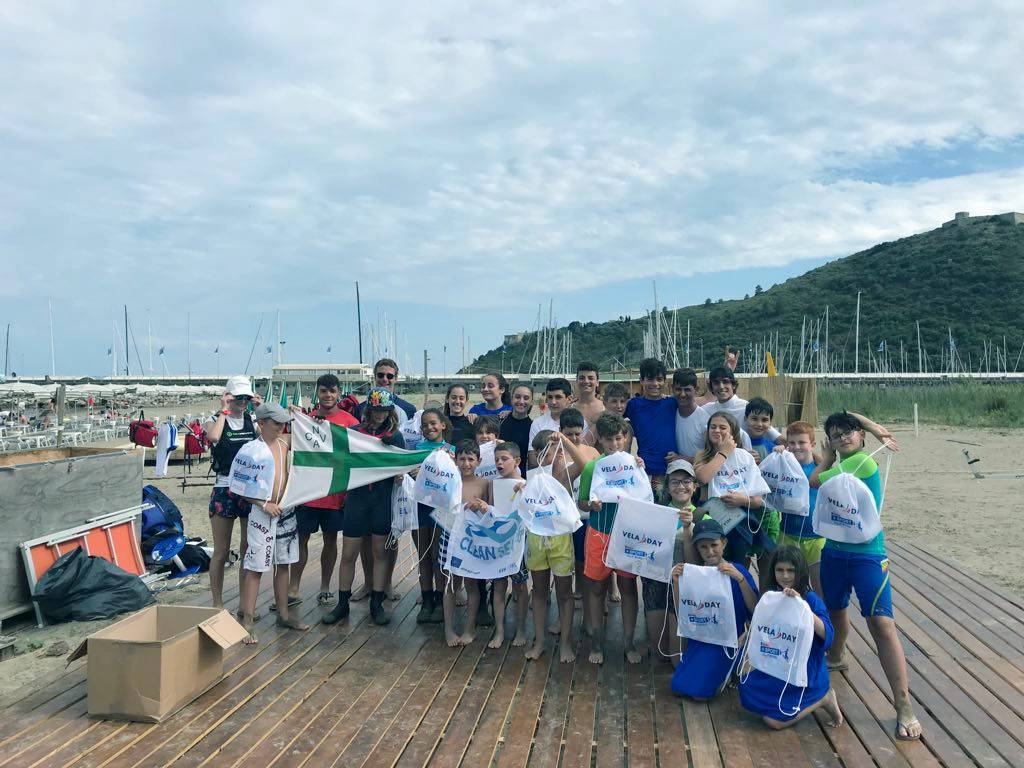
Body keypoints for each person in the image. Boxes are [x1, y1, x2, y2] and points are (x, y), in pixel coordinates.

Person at [811, 411, 921, 741]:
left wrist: (870, 428)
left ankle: (903, 705)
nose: (843, 437)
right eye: (835, 434)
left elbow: (815, 480)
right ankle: (837, 655)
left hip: (868, 556)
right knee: (835, 609)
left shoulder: (864, 462)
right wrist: (834, 450)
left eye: (849, 432)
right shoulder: (839, 464)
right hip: (833, 551)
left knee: (881, 624)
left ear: (860, 438)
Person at [323, 388, 406, 627]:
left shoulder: (395, 436)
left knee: (380, 552)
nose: (380, 414)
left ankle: (376, 603)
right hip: (356, 500)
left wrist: (400, 474)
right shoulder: (354, 433)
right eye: (376, 409)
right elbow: (337, 458)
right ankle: (342, 604)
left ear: (390, 410)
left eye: (384, 409)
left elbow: (401, 468)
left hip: (381, 500)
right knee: (348, 553)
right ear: (368, 408)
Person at [739, 545, 842, 730]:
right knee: (746, 689)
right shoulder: (773, 597)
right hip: (779, 663)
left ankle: (823, 698)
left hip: (805, 670)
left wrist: (802, 607)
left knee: (774, 722)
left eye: (790, 570)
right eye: (780, 570)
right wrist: (749, 634)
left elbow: (828, 635)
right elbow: (765, 624)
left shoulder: (810, 599)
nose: (785, 576)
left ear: (800, 571)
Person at [231, 402, 308, 644]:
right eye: (276, 423)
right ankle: (248, 621)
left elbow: (311, 434)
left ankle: (283, 614)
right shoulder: (250, 449)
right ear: (261, 424)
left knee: (283, 564)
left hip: (285, 510)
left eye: (283, 423)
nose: (281, 426)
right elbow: (238, 485)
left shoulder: (285, 443)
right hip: (262, 512)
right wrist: (263, 504)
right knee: (255, 566)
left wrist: (301, 415)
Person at [576, 411, 643, 665]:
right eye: (608, 440)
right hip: (599, 532)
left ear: (625, 438)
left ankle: (628, 641)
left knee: (627, 587)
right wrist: (590, 505)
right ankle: (596, 641)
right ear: (600, 442)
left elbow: (643, 497)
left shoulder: (635, 464)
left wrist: (640, 469)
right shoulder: (592, 467)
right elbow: (581, 502)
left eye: (618, 438)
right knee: (596, 588)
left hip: (627, 534)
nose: (614, 445)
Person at [287, 374, 358, 609]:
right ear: (317, 393)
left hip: (336, 492)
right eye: (324, 391)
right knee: (301, 541)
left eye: (333, 391)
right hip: (308, 492)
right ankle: (293, 587)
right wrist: (293, 415)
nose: (328, 395)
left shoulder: (349, 421)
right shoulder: (306, 419)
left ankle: (325, 587)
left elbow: (356, 455)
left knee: (330, 541)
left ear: (339, 393)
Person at [669, 518, 758, 698]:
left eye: (714, 545)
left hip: (730, 639)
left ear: (724, 543)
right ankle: (719, 674)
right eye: (703, 547)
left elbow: (755, 609)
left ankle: (732, 668)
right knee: (679, 686)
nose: (710, 551)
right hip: (703, 638)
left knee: (700, 694)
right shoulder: (695, 575)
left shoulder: (738, 570)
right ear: (697, 549)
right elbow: (683, 614)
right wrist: (677, 583)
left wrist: (740, 579)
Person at [203, 376, 260, 613]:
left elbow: (270, 437)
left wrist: (260, 408)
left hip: (247, 490)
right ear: (228, 397)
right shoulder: (215, 420)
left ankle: (243, 604)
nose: (243, 402)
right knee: (221, 551)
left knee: (247, 549)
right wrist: (224, 411)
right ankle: (217, 603)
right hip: (224, 488)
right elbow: (214, 438)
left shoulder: (252, 421)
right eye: (239, 398)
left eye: (246, 398)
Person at [645, 459, 702, 662]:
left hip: (684, 585)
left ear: (695, 487)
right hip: (656, 582)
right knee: (658, 650)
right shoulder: (654, 514)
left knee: (675, 659)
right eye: (675, 482)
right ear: (667, 487)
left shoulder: (704, 518)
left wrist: (688, 530)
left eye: (686, 481)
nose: (681, 486)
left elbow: (695, 563)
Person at [443, 440, 492, 646]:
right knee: (449, 583)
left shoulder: (484, 484)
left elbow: (492, 512)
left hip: (472, 540)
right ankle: (448, 628)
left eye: (471, 459)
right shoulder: (449, 480)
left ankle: (470, 628)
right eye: (462, 459)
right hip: (449, 535)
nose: (466, 463)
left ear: (479, 461)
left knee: (471, 583)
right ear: (455, 460)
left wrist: (482, 506)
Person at [412, 407, 452, 624]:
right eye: (425, 425)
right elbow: (407, 476)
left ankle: (440, 598)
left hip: (442, 509)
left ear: (443, 425)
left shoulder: (452, 450)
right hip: (420, 507)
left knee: (439, 556)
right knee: (423, 555)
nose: (430, 427)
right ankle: (426, 599)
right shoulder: (415, 449)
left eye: (433, 423)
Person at [775, 421, 824, 596]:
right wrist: (777, 454)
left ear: (812, 444)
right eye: (792, 443)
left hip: (816, 537)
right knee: (787, 587)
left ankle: (823, 622)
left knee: (820, 588)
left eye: (802, 443)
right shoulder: (783, 463)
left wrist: (826, 460)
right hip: (787, 533)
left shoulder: (821, 468)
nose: (796, 447)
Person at [489, 441, 530, 649]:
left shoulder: (527, 484)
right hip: (499, 542)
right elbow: (490, 512)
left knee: (520, 586)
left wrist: (526, 491)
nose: (499, 463)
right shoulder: (493, 484)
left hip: (519, 543)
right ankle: (500, 630)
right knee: (498, 585)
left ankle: (521, 628)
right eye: (496, 459)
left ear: (517, 461)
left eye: (504, 459)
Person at [624, 358, 677, 493]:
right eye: (650, 379)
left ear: (665, 381)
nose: (655, 384)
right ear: (641, 381)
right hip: (644, 471)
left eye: (659, 379)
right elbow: (612, 413)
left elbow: (702, 400)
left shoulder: (672, 403)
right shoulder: (633, 405)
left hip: (673, 470)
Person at [528, 378, 580, 447]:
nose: (553, 402)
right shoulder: (538, 424)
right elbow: (532, 454)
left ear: (569, 399)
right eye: (550, 397)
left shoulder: (580, 423)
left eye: (558, 397)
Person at [499, 384, 533, 478]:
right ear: (511, 399)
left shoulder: (533, 427)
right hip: (498, 477)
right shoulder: (500, 421)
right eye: (517, 397)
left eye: (526, 398)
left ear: (531, 402)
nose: (521, 401)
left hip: (522, 480)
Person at [574, 361, 605, 430]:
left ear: (597, 382)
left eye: (590, 378)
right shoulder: (569, 409)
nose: (586, 381)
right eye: (582, 378)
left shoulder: (605, 408)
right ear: (576, 381)